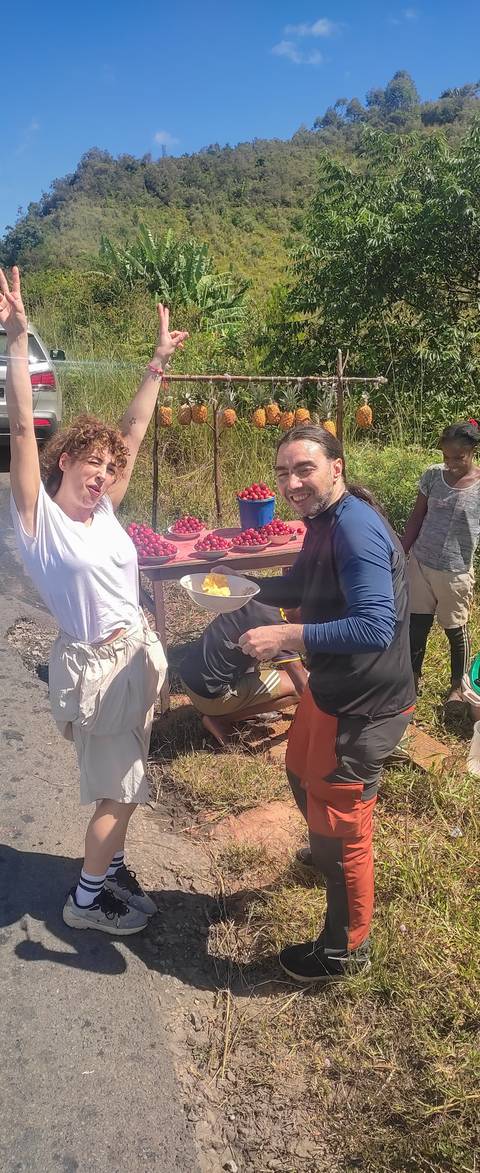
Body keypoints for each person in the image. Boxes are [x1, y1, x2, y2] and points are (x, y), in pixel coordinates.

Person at [1, 265, 188, 936]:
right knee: (124, 786)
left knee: (128, 771)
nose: (105, 473)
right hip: (99, 669)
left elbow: (134, 428)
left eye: (111, 468)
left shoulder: (101, 513)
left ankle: (106, 867)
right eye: (91, 462)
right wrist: (17, 340)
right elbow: (22, 426)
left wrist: (157, 364)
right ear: (62, 462)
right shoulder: (38, 522)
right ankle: (84, 899)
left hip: (135, 655)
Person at [228, 424, 415, 983]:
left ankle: (344, 952)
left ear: (336, 465)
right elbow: (305, 584)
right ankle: (324, 855)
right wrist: (237, 587)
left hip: (366, 704)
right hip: (332, 692)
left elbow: (375, 626)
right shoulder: (324, 521)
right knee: (299, 770)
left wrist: (288, 638)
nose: (291, 482)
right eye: (283, 472)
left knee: (344, 828)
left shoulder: (355, 530)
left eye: (303, 468)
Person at [401, 420, 480, 715]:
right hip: (421, 564)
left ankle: (458, 688)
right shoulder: (433, 476)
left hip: (454, 571)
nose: (451, 464)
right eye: (446, 457)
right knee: (417, 625)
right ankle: (412, 678)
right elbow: (417, 517)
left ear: (473, 452)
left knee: (455, 629)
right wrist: (403, 553)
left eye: (458, 458)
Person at [179, 599, 308, 745]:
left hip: (189, 678)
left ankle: (232, 708)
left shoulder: (263, 598)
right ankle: (220, 719)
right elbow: (303, 686)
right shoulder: (276, 627)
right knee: (299, 689)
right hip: (211, 695)